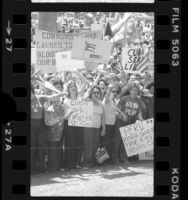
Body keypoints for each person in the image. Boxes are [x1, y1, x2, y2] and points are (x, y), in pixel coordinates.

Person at [31, 85, 63, 174]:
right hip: (31, 126)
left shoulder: (40, 97)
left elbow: (51, 97)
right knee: (32, 147)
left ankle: (42, 167)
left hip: (42, 126)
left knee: (41, 147)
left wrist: (61, 94)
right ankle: (31, 168)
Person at [111, 83, 144, 164]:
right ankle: (115, 158)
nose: (135, 92)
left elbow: (139, 110)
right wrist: (123, 115)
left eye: (136, 91)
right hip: (120, 121)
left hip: (130, 122)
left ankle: (124, 158)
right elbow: (117, 108)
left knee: (126, 141)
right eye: (133, 90)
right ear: (130, 91)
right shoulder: (124, 98)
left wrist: (140, 117)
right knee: (118, 140)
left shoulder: (139, 100)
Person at [83, 86, 105, 168]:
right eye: (94, 92)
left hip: (97, 128)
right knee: (88, 145)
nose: (96, 94)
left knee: (95, 145)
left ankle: (94, 162)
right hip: (88, 127)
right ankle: (87, 163)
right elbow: (84, 96)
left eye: (98, 93)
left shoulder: (101, 104)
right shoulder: (87, 101)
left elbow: (103, 118)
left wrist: (104, 129)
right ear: (91, 93)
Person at [102, 83, 121, 163]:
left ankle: (108, 160)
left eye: (116, 92)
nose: (115, 93)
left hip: (112, 124)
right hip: (106, 124)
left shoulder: (115, 100)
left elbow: (116, 110)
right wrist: (109, 89)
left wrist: (121, 114)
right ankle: (103, 161)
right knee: (106, 144)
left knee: (110, 143)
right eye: (113, 91)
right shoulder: (107, 99)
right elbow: (106, 97)